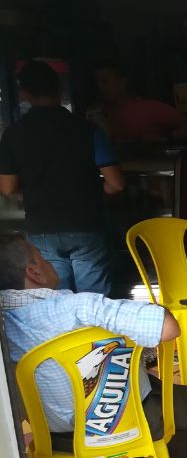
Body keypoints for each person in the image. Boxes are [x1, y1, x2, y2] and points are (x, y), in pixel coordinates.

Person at [0, 234, 187, 458]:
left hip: (54, 434)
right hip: (112, 424)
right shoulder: (78, 307)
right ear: (33, 272)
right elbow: (168, 328)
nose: (50, 262)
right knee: (181, 399)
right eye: (43, 257)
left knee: (134, 381)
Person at [0, 60, 125, 296]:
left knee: (57, 298)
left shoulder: (13, 135)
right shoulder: (88, 130)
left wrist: (36, 193)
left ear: (24, 93)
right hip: (85, 224)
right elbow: (116, 183)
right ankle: (95, 334)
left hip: (42, 227)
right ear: (59, 89)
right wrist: (96, 194)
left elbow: (7, 188)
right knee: (93, 302)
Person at [93, 63, 187, 144]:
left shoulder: (149, 108)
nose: (100, 87)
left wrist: (166, 138)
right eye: (97, 83)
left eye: (105, 81)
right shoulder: (98, 113)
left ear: (122, 82)